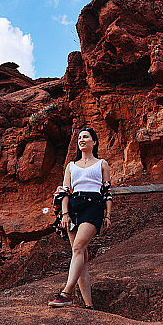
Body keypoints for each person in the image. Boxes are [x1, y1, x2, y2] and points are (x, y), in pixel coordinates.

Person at [48, 126, 112, 309]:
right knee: (80, 256)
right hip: (74, 208)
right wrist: (64, 213)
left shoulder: (102, 164)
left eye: (86, 137)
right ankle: (88, 304)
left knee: (78, 247)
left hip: (94, 206)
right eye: (79, 138)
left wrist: (108, 215)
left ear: (94, 142)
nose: (82, 140)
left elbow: (107, 191)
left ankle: (66, 293)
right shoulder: (71, 166)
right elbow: (64, 192)